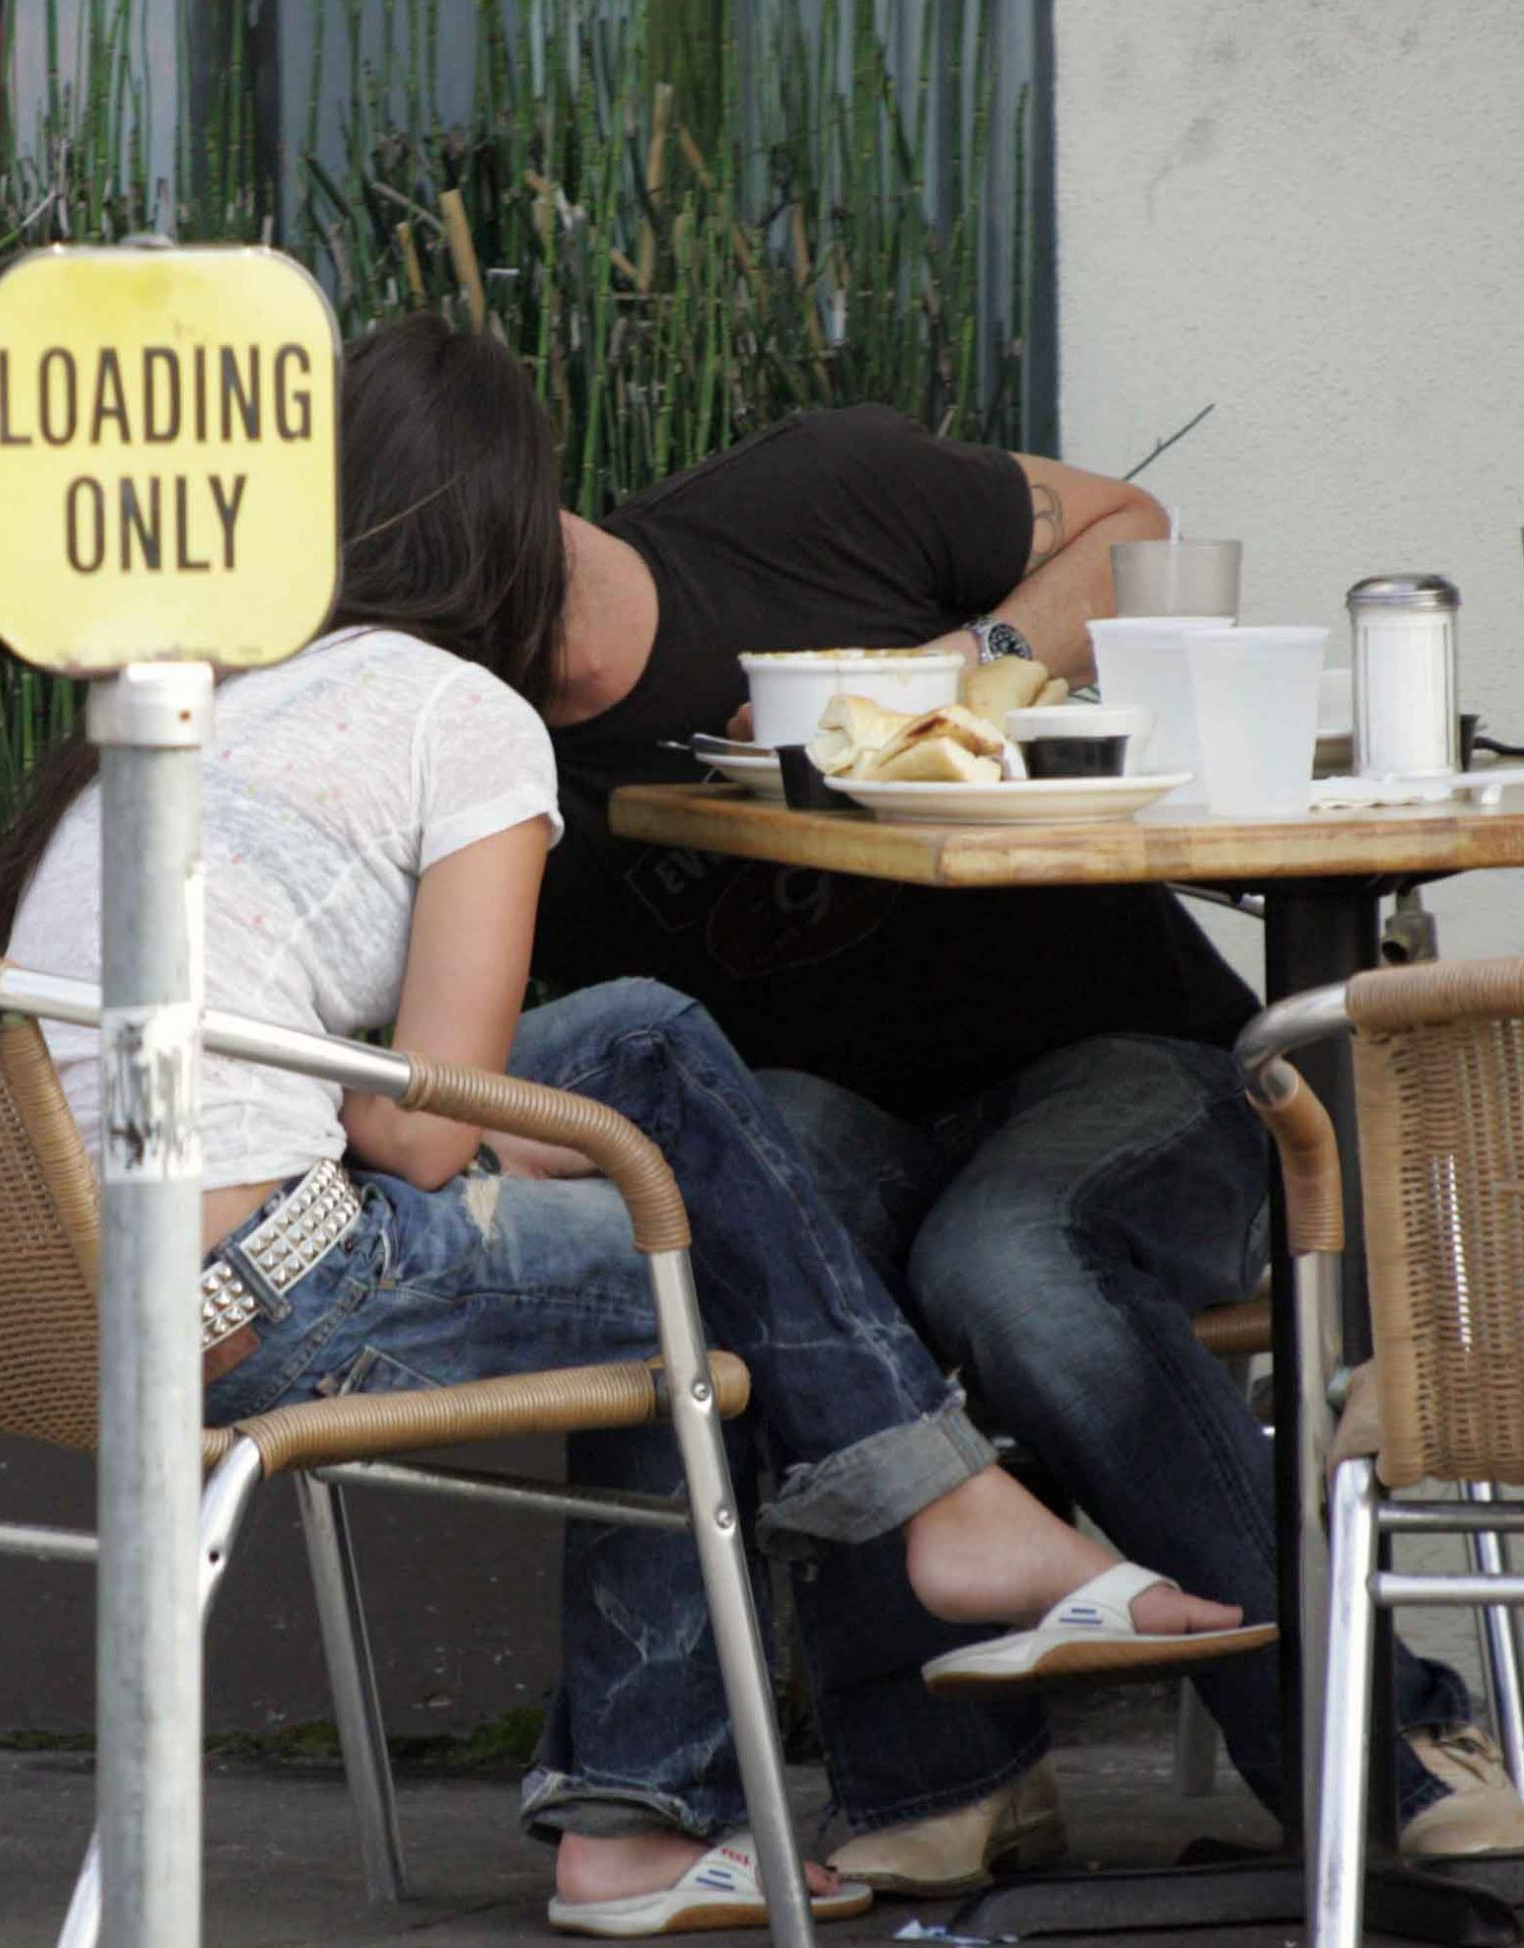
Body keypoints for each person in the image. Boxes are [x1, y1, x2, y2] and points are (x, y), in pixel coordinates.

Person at [0, 318, 1267, 1938]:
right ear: (519, 532)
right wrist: (531, 1135)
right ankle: (814, 1641)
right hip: (266, 1296)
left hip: (61, 1310)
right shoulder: (463, 718)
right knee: (682, 1233)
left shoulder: (190, 706)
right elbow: (422, 1141)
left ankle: (839, 1650)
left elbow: (154, 1018)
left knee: (648, 1102)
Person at [538, 395, 1516, 1873]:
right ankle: (944, 1779)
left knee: (1005, 1256)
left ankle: (1380, 1744)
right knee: (754, 1206)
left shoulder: (812, 497)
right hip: (849, 1121)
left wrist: (955, 677)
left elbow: (1130, 528)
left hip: (1129, 1064)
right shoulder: (478, 740)